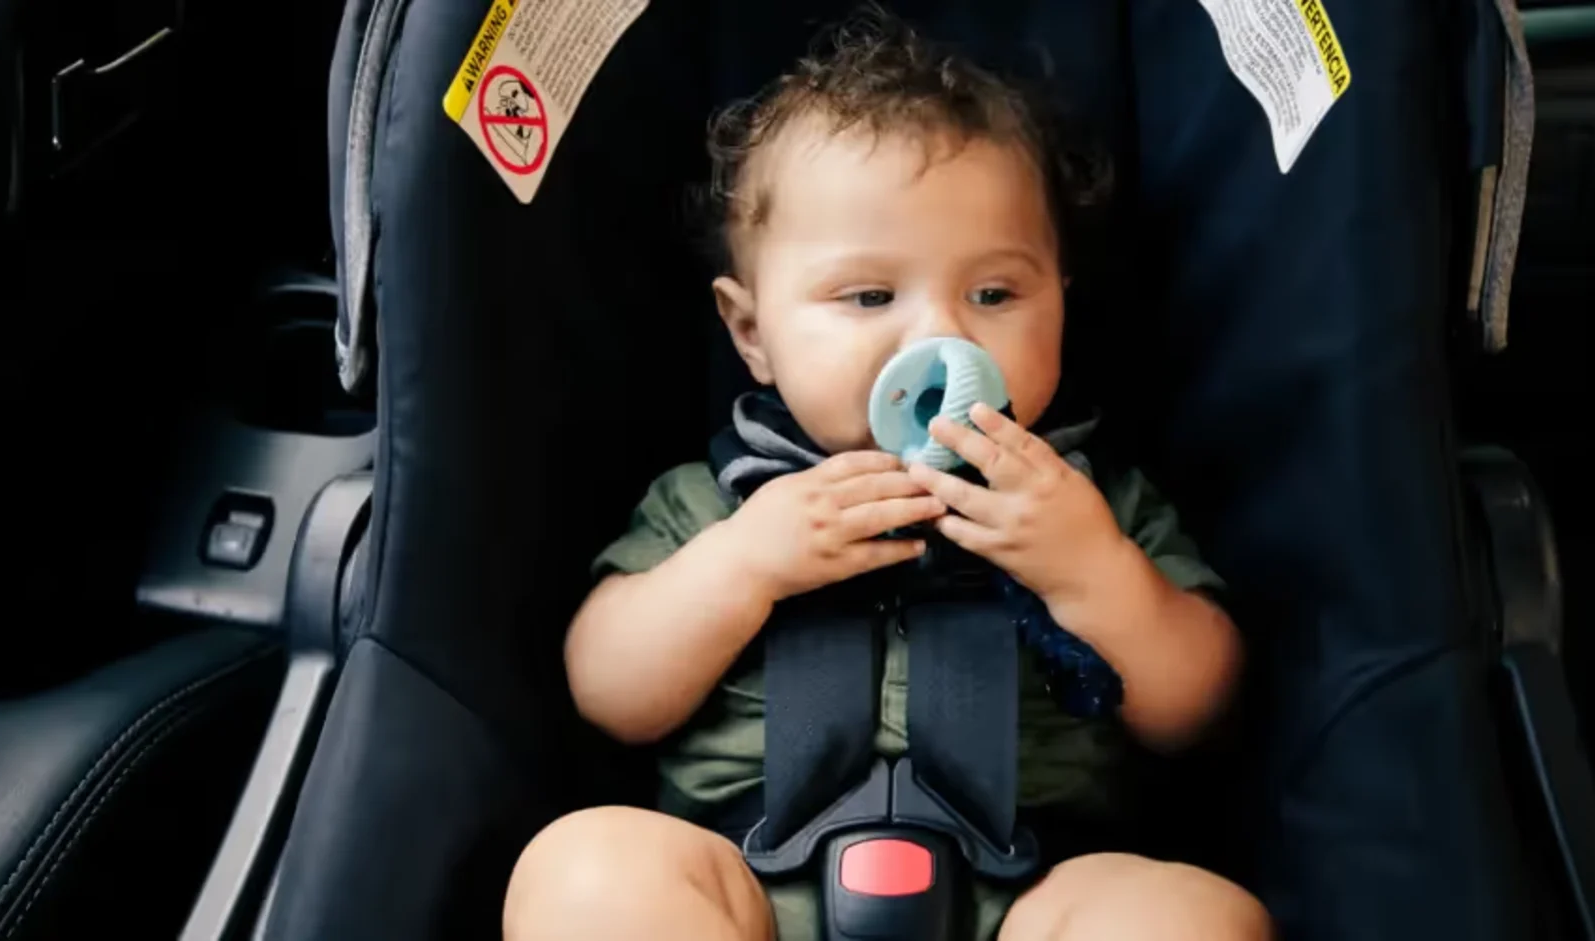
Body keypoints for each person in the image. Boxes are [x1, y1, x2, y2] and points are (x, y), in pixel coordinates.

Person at [503, 9, 1270, 940]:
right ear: (752, 332)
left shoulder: (1089, 504)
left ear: (1060, 304)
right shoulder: (716, 503)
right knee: (584, 867)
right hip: (749, 886)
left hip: (1032, 890)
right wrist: (744, 565)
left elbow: (1201, 709)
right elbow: (606, 689)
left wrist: (1094, 573)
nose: (943, 338)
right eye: (869, 296)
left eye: (994, 293)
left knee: (1195, 916)